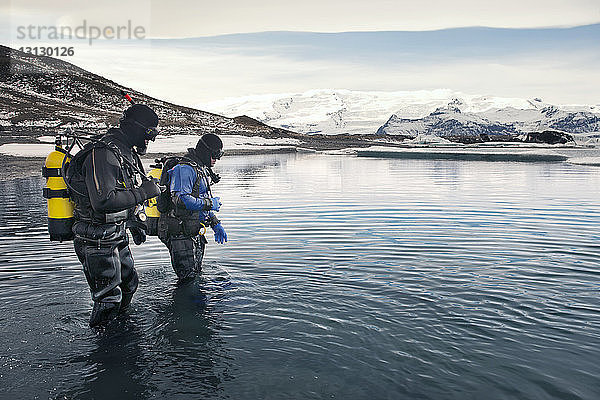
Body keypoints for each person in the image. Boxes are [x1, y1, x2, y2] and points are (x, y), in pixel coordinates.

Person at [66, 104, 162, 327]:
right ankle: (105, 349)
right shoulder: (103, 153)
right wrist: (144, 192)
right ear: (135, 128)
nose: (152, 139)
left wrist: (136, 223)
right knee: (108, 299)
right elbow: (103, 201)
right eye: (150, 133)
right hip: (96, 237)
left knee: (130, 284)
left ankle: (120, 330)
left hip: (116, 233)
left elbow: (124, 192)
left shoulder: (124, 152)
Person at [158, 133, 227, 283]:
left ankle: (199, 305)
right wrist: (210, 203)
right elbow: (181, 200)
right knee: (187, 280)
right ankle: (184, 306)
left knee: (196, 275)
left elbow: (199, 200)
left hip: (192, 231)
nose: (217, 159)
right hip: (179, 233)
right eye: (215, 154)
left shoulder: (200, 169)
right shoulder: (184, 169)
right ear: (205, 151)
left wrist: (215, 223)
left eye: (219, 155)